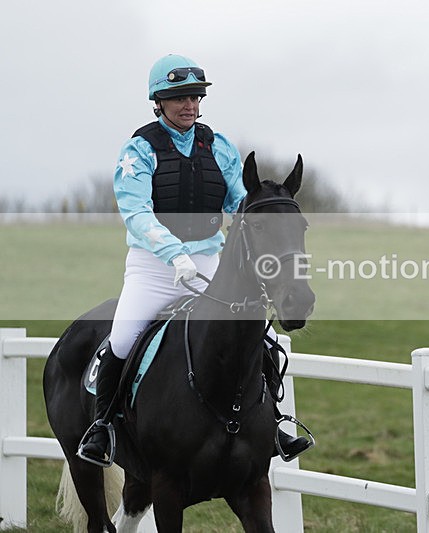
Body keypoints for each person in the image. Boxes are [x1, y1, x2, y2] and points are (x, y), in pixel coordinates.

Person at [77, 54, 311, 466]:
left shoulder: (218, 147)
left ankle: (274, 423)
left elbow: (240, 202)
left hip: (207, 260)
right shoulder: (139, 150)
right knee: (123, 339)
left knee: (263, 338)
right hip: (153, 266)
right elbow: (135, 212)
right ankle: (103, 429)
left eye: (195, 97)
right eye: (179, 98)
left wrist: (270, 212)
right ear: (159, 102)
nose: (189, 105)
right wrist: (173, 254)